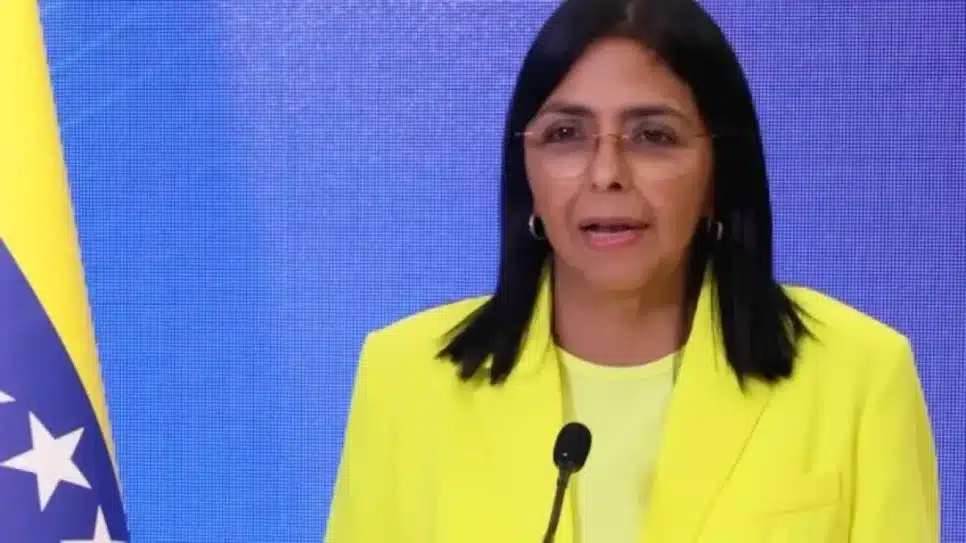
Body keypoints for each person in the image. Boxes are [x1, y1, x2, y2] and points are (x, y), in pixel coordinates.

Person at [324, 0, 940, 541]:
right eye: (566, 134)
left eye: (653, 136)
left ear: (718, 171)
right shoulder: (405, 381)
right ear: (526, 171)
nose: (606, 174)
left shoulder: (859, 377)